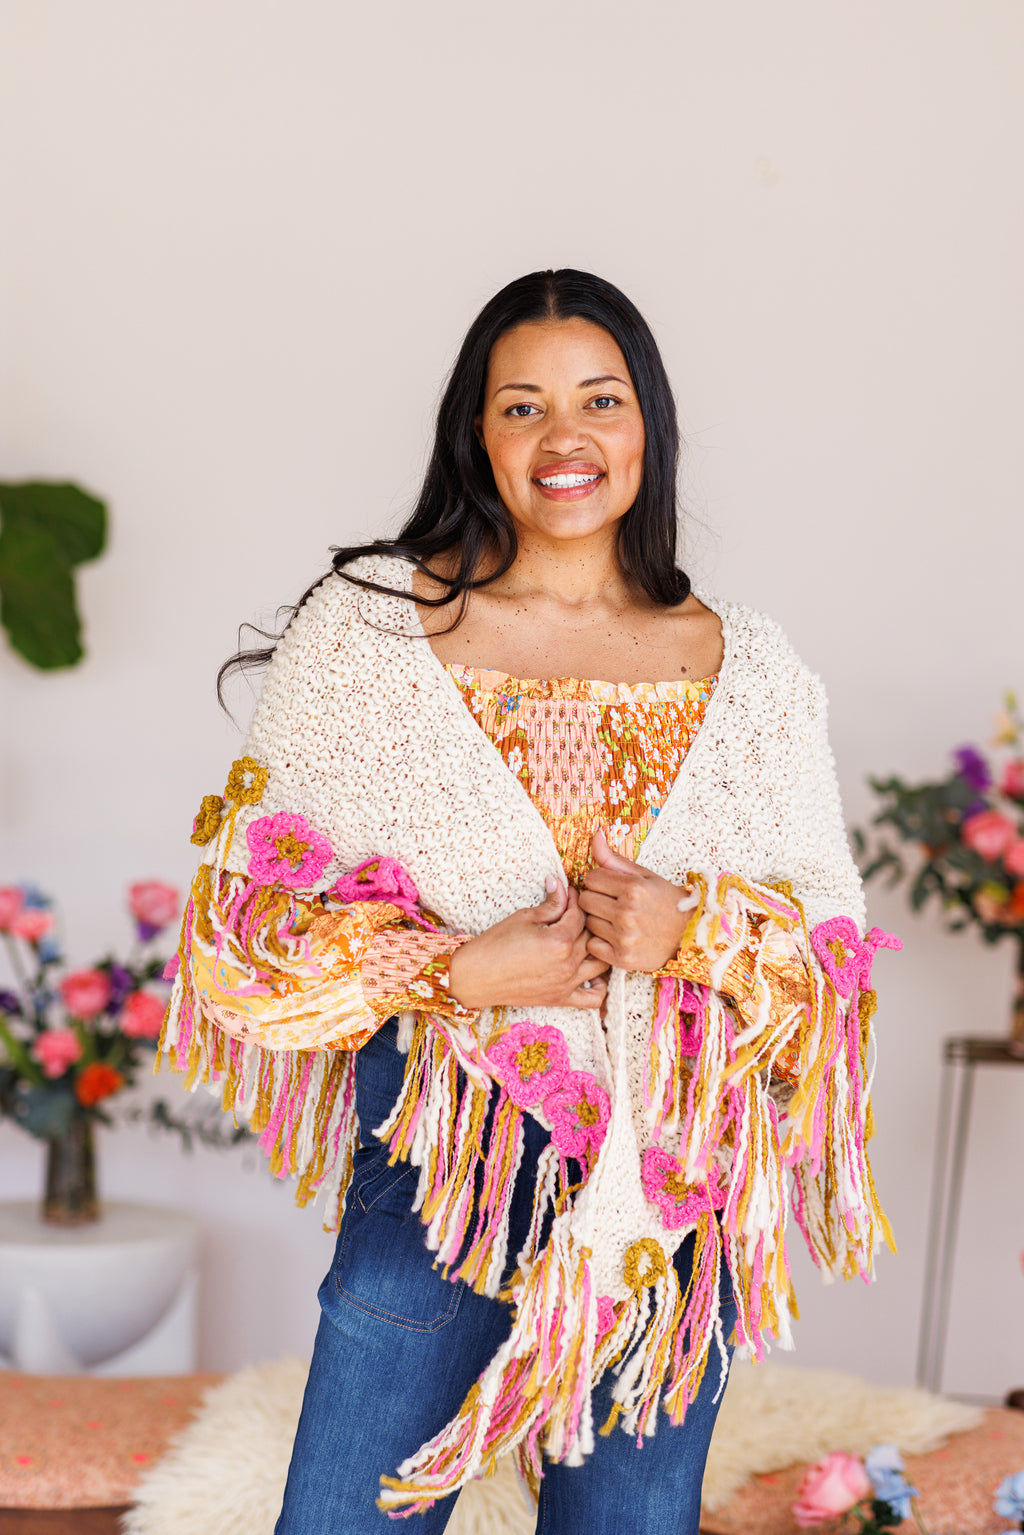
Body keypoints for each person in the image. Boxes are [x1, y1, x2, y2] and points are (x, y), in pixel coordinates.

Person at [161, 269, 899, 1534]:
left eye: (599, 399)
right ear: (478, 434)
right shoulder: (372, 633)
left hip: (668, 1199)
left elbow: (827, 954)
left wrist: (695, 929)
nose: (566, 437)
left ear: (646, 426)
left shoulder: (753, 667)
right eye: (523, 405)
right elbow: (246, 923)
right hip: (445, 1160)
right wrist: (455, 970)